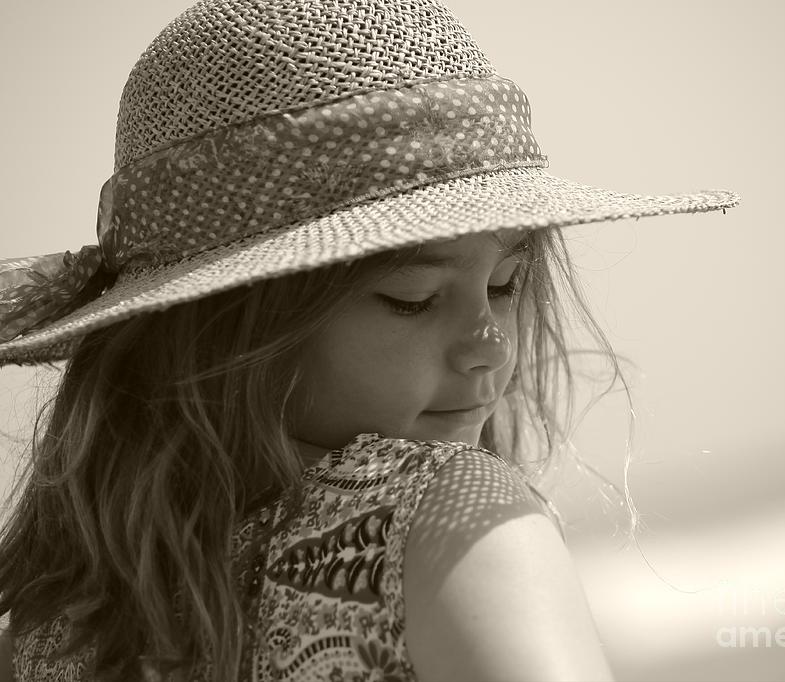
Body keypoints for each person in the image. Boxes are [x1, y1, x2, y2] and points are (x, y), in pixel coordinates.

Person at [0, 0, 739, 680]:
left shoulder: (49, 627)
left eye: (507, 284)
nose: (489, 344)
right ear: (227, 327)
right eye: (411, 300)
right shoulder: (443, 514)